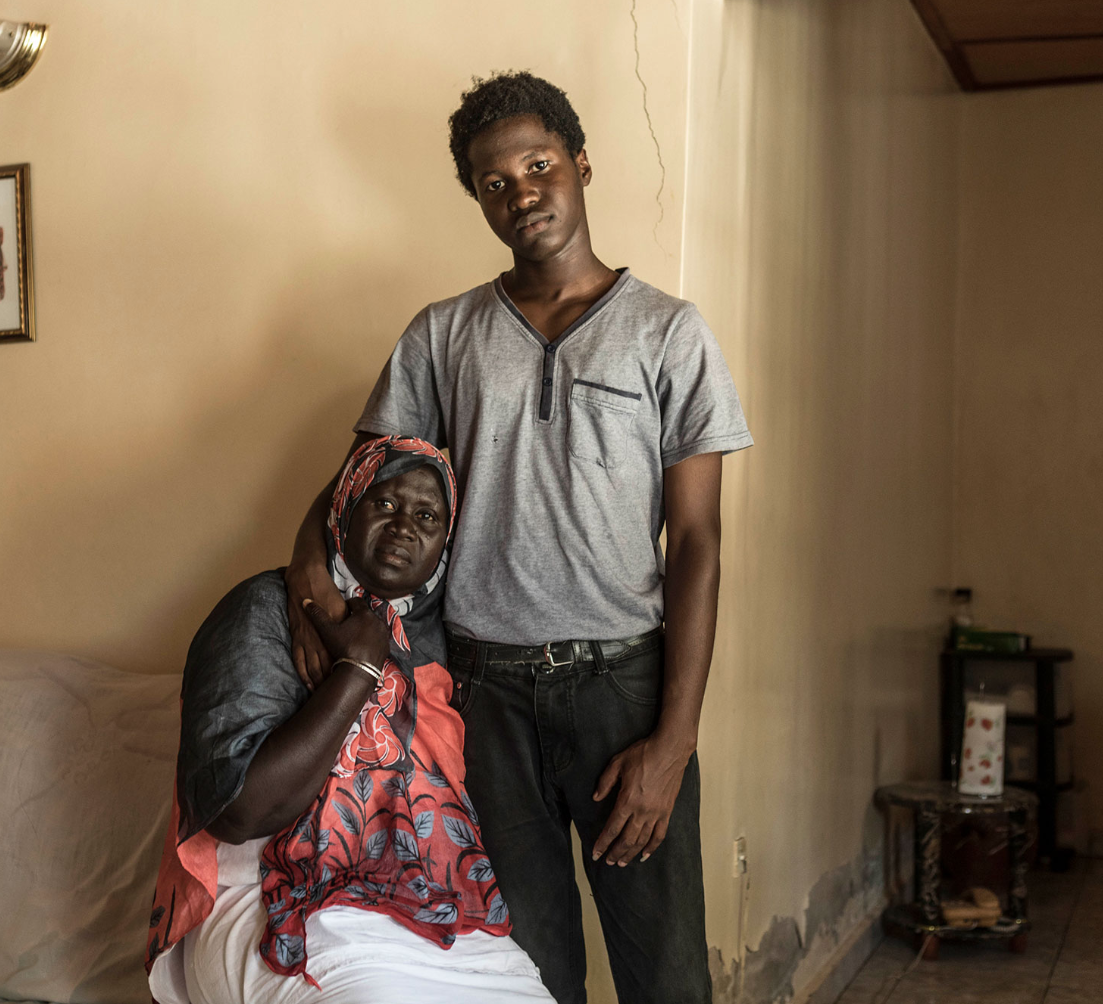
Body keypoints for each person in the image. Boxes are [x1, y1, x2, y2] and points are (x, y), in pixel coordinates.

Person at [284, 72, 753, 1004]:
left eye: (539, 166)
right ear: (479, 200)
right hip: (483, 696)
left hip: (624, 690)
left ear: (581, 164)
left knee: (666, 977)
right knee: (524, 978)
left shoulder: (669, 333)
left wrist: (674, 740)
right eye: (495, 183)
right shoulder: (443, 334)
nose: (522, 193)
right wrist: (310, 585)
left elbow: (697, 541)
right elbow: (359, 485)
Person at [147, 436, 553, 1004]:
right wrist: (358, 669)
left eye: (428, 516)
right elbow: (237, 811)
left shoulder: (443, 643)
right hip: (274, 904)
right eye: (384, 503)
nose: (404, 526)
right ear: (345, 507)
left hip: (438, 910)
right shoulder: (263, 608)